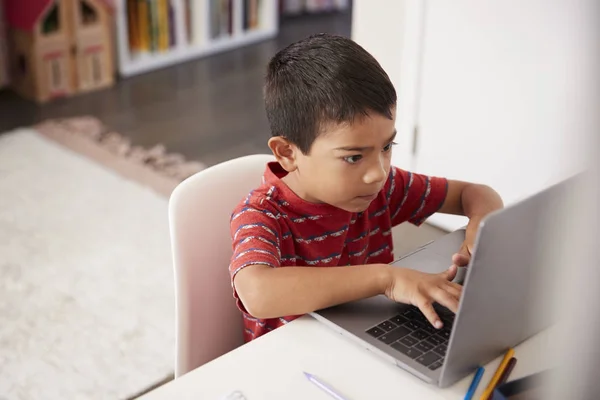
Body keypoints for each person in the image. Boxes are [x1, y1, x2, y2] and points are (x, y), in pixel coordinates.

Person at [229, 34, 504, 342]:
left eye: (387, 146)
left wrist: (481, 231)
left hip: (366, 343)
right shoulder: (261, 214)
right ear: (288, 153)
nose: (378, 172)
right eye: (354, 156)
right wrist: (386, 279)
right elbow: (257, 293)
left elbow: (477, 194)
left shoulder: (382, 188)